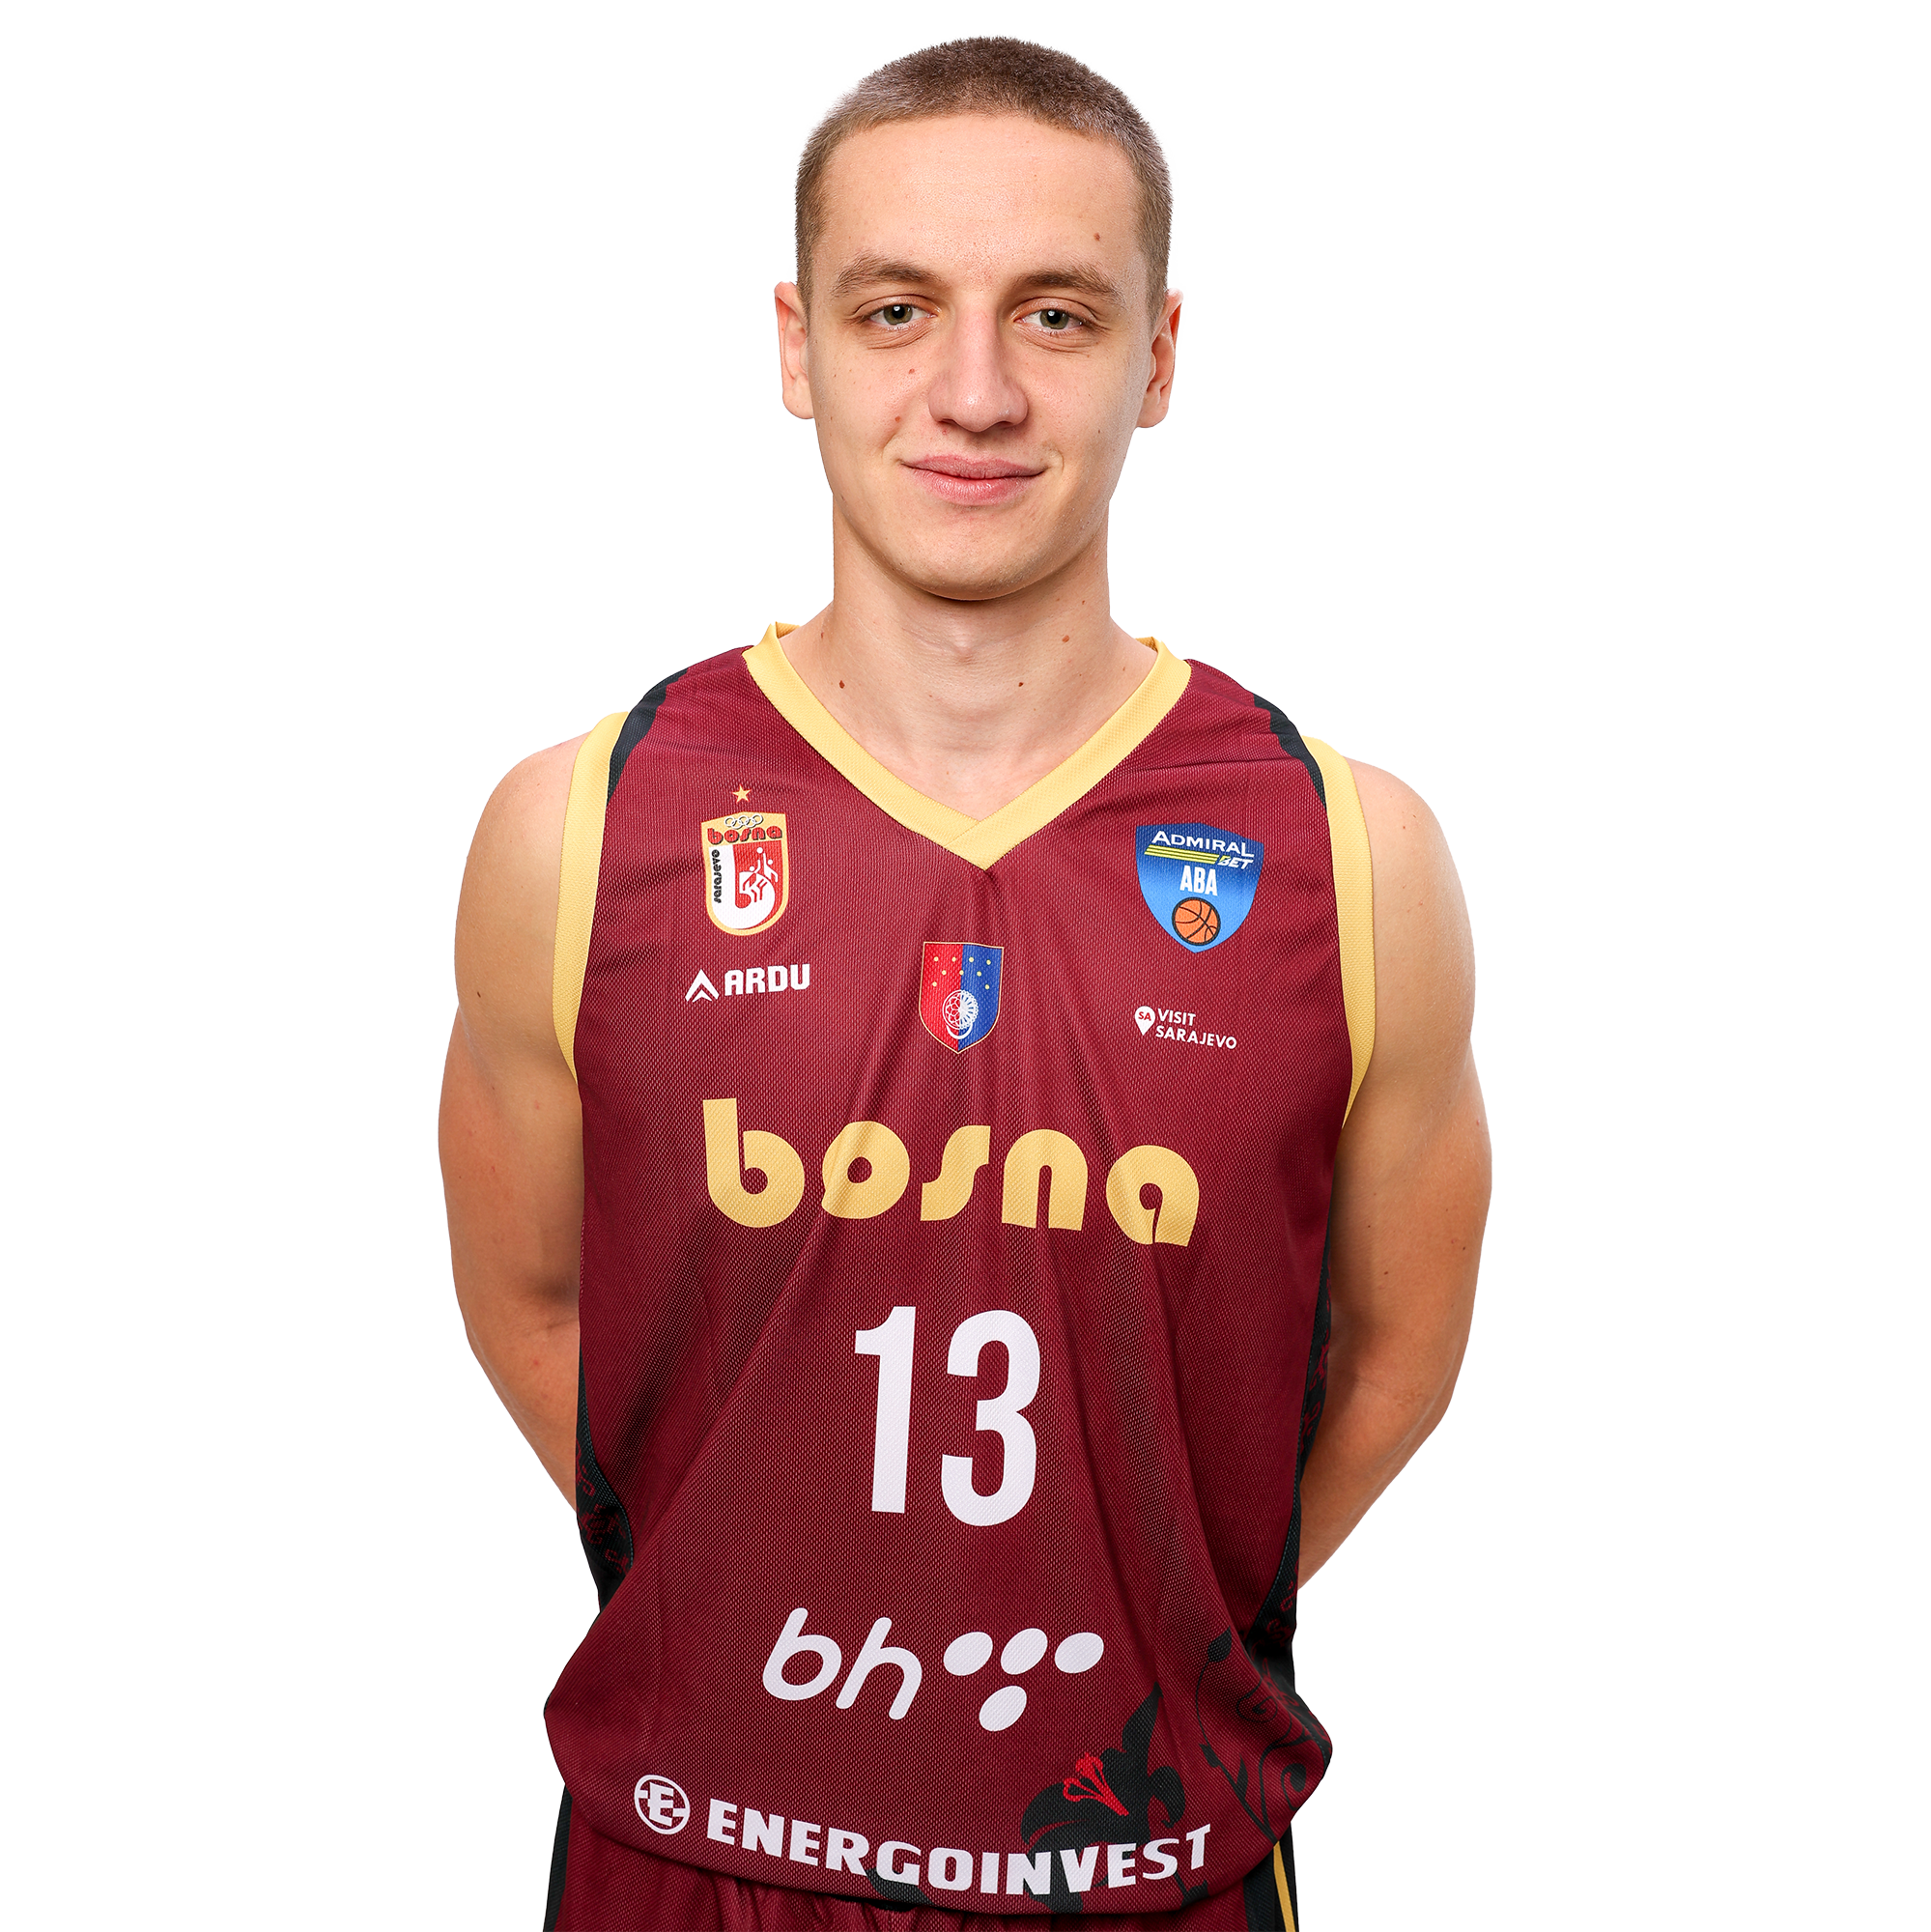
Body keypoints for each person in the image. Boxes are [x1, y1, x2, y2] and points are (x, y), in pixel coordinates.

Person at [440, 35, 1488, 1932]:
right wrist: (734, 1586)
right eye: (897, 308)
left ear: (1159, 358)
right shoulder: (580, 823)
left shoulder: (1352, 854)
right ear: (797, 347)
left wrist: (1152, 1601)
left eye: (1059, 314)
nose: (977, 391)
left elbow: (1396, 1351)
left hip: (1143, 1860)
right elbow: (537, 1308)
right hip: (693, 1853)